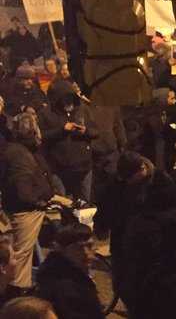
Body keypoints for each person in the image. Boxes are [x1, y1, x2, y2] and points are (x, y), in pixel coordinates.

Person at [2, 112, 67, 290]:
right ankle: (17, 296)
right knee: (20, 258)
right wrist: (40, 201)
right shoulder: (19, 155)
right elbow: (24, 192)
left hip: (32, 205)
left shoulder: (21, 150)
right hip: (27, 211)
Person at [34, 223, 103, 319]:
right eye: (78, 248)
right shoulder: (65, 286)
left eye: (89, 245)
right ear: (62, 250)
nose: (86, 253)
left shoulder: (68, 272)